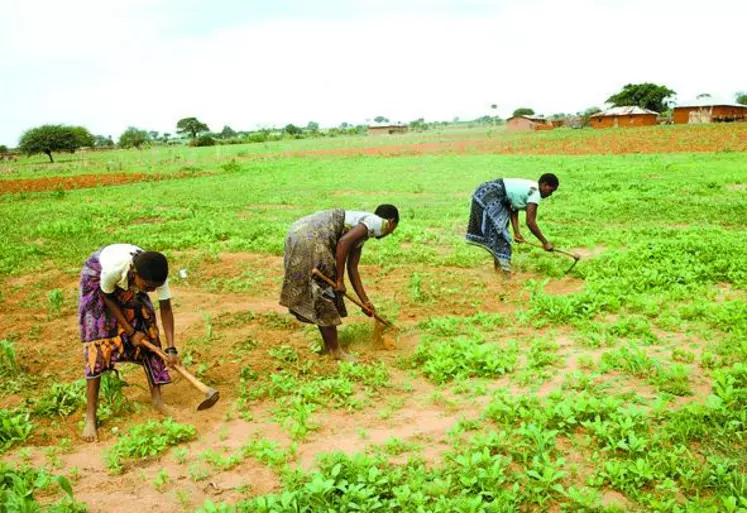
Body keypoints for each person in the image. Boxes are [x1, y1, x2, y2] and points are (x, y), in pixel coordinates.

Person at [78, 244, 178, 442]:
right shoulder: (115, 269)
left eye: (154, 287)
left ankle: (157, 399)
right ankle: (90, 417)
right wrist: (130, 331)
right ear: (135, 273)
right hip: (98, 282)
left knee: (149, 330)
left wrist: (171, 348)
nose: (151, 291)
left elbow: (165, 308)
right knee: (98, 342)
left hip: (126, 281)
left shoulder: (155, 277)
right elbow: (107, 296)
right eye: (148, 286)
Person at [279, 205, 399, 361]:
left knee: (318, 293)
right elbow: (343, 243)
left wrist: (365, 301)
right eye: (393, 229)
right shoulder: (377, 222)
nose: (389, 233)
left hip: (298, 233)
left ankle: (331, 348)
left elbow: (352, 268)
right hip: (312, 237)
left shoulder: (361, 230)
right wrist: (339, 280)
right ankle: (335, 351)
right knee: (324, 292)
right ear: (391, 222)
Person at [466, 173, 559, 275]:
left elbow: (513, 209)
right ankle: (505, 274)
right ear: (544, 185)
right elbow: (530, 222)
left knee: (500, 234)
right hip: (491, 194)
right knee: (501, 235)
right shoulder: (535, 193)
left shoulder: (531, 188)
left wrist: (517, 233)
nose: (550, 194)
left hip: (485, 192)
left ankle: (499, 271)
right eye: (551, 190)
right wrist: (545, 242)